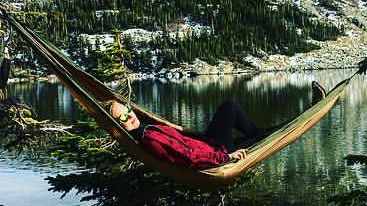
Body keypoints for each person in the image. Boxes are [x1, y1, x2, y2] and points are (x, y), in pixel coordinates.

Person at [103, 81, 327, 170]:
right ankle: (308, 111)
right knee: (262, 137)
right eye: (123, 119)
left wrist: (191, 132)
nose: (130, 117)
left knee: (230, 107)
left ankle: (266, 130)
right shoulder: (149, 139)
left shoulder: (147, 129)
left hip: (208, 143)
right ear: (117, 127)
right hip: (215, 154)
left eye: (128, 111)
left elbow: (183, 140)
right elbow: (188, 158)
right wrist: (226, 158)